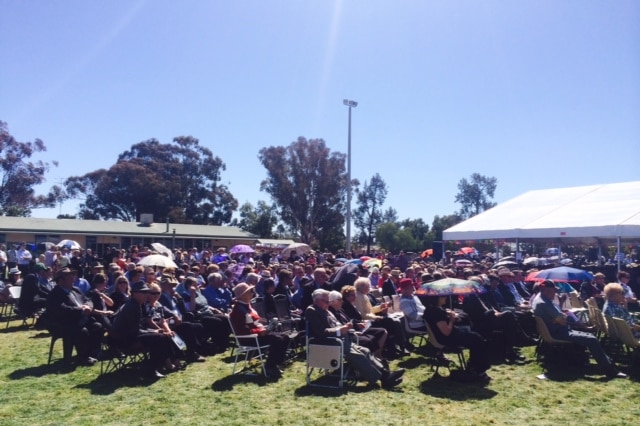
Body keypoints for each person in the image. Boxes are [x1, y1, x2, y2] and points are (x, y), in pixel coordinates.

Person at [305, 289, 404, 388]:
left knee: (365, 351)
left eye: (329, 301)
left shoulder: (325, 310)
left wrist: (347, 328)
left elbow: (337, 325)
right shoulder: (312, 311)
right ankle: (383, 378)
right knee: (357, 355)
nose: (328, 304)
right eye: (326, 301)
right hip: (326, 342)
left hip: (340, 340)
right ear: (317, 300)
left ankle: (385, 373)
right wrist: (340, 330)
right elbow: (321, 332)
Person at [532, 279, 626, 379]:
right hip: (558, 332)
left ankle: (606, 363)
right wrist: (562, 317)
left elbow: (559, 318)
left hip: (556, 330)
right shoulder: (546, 303)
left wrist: (560, 317)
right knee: (591, 339)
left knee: (589, 336)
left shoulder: (540, 299)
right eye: (554, 291)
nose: (556, 293)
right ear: (546, 290)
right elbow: (562, 321)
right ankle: (609, 370)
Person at [111, 281, 176, 378]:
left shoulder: (135, 304)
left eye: (147, 292)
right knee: (160, 338)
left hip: (128, 336)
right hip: (125, 341)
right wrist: (153, 331)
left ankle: (159, 365)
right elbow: (135, 331)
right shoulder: (132, 307)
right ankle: (152, 370)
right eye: (144, 292)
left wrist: (154, 331)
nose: (146, 295)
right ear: (135, 293)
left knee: (162, 336)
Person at [423, 294, 492, 383]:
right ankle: (479, 369)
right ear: (436, 298)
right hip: (446, 339)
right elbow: (446, 332)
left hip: (450, 335)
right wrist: (451, 320)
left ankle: (474, 366)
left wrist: (449, 315)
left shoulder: (434, 309)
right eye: (443, 296)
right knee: (477, 339)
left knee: (475, 336)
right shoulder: (435, 312)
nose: (446, 297)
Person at [229, 282, 291, 378]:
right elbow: (242, 330)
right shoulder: (238, 311)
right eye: (250, 291)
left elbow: (255, 323)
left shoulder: (247, 306)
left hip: (258, 334)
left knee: (285, 336)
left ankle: (275, 363)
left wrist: (265, 328)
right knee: (277, 339)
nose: (252, 293)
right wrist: (259, 332)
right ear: (242, 295)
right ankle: (270, 366)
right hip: (248, 338)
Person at [46, 267, 105, 365]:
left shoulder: (75, 289)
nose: (73, 279)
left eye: (72, 277)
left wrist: (88, 306)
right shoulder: (54, 294)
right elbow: (63, 309)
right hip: (63, 323)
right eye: (69, 278)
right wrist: (81, 309)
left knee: (97, 326)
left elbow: (88, 299)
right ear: (61, 281)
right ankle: (83, 357)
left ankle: (93, 352)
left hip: (80, 319)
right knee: (82, 331)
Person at [328, 290, 387, 359]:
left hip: (356, 329)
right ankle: (372, 360)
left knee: (380, 332)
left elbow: (350, 320)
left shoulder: (340, 309)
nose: (342, 301)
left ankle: (378, 356)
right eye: (339, 300)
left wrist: (358, 323)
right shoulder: (332, 312)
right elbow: (342, 326)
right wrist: (355, 328)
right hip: (349, 334)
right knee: (368, 340)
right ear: (332, 301)